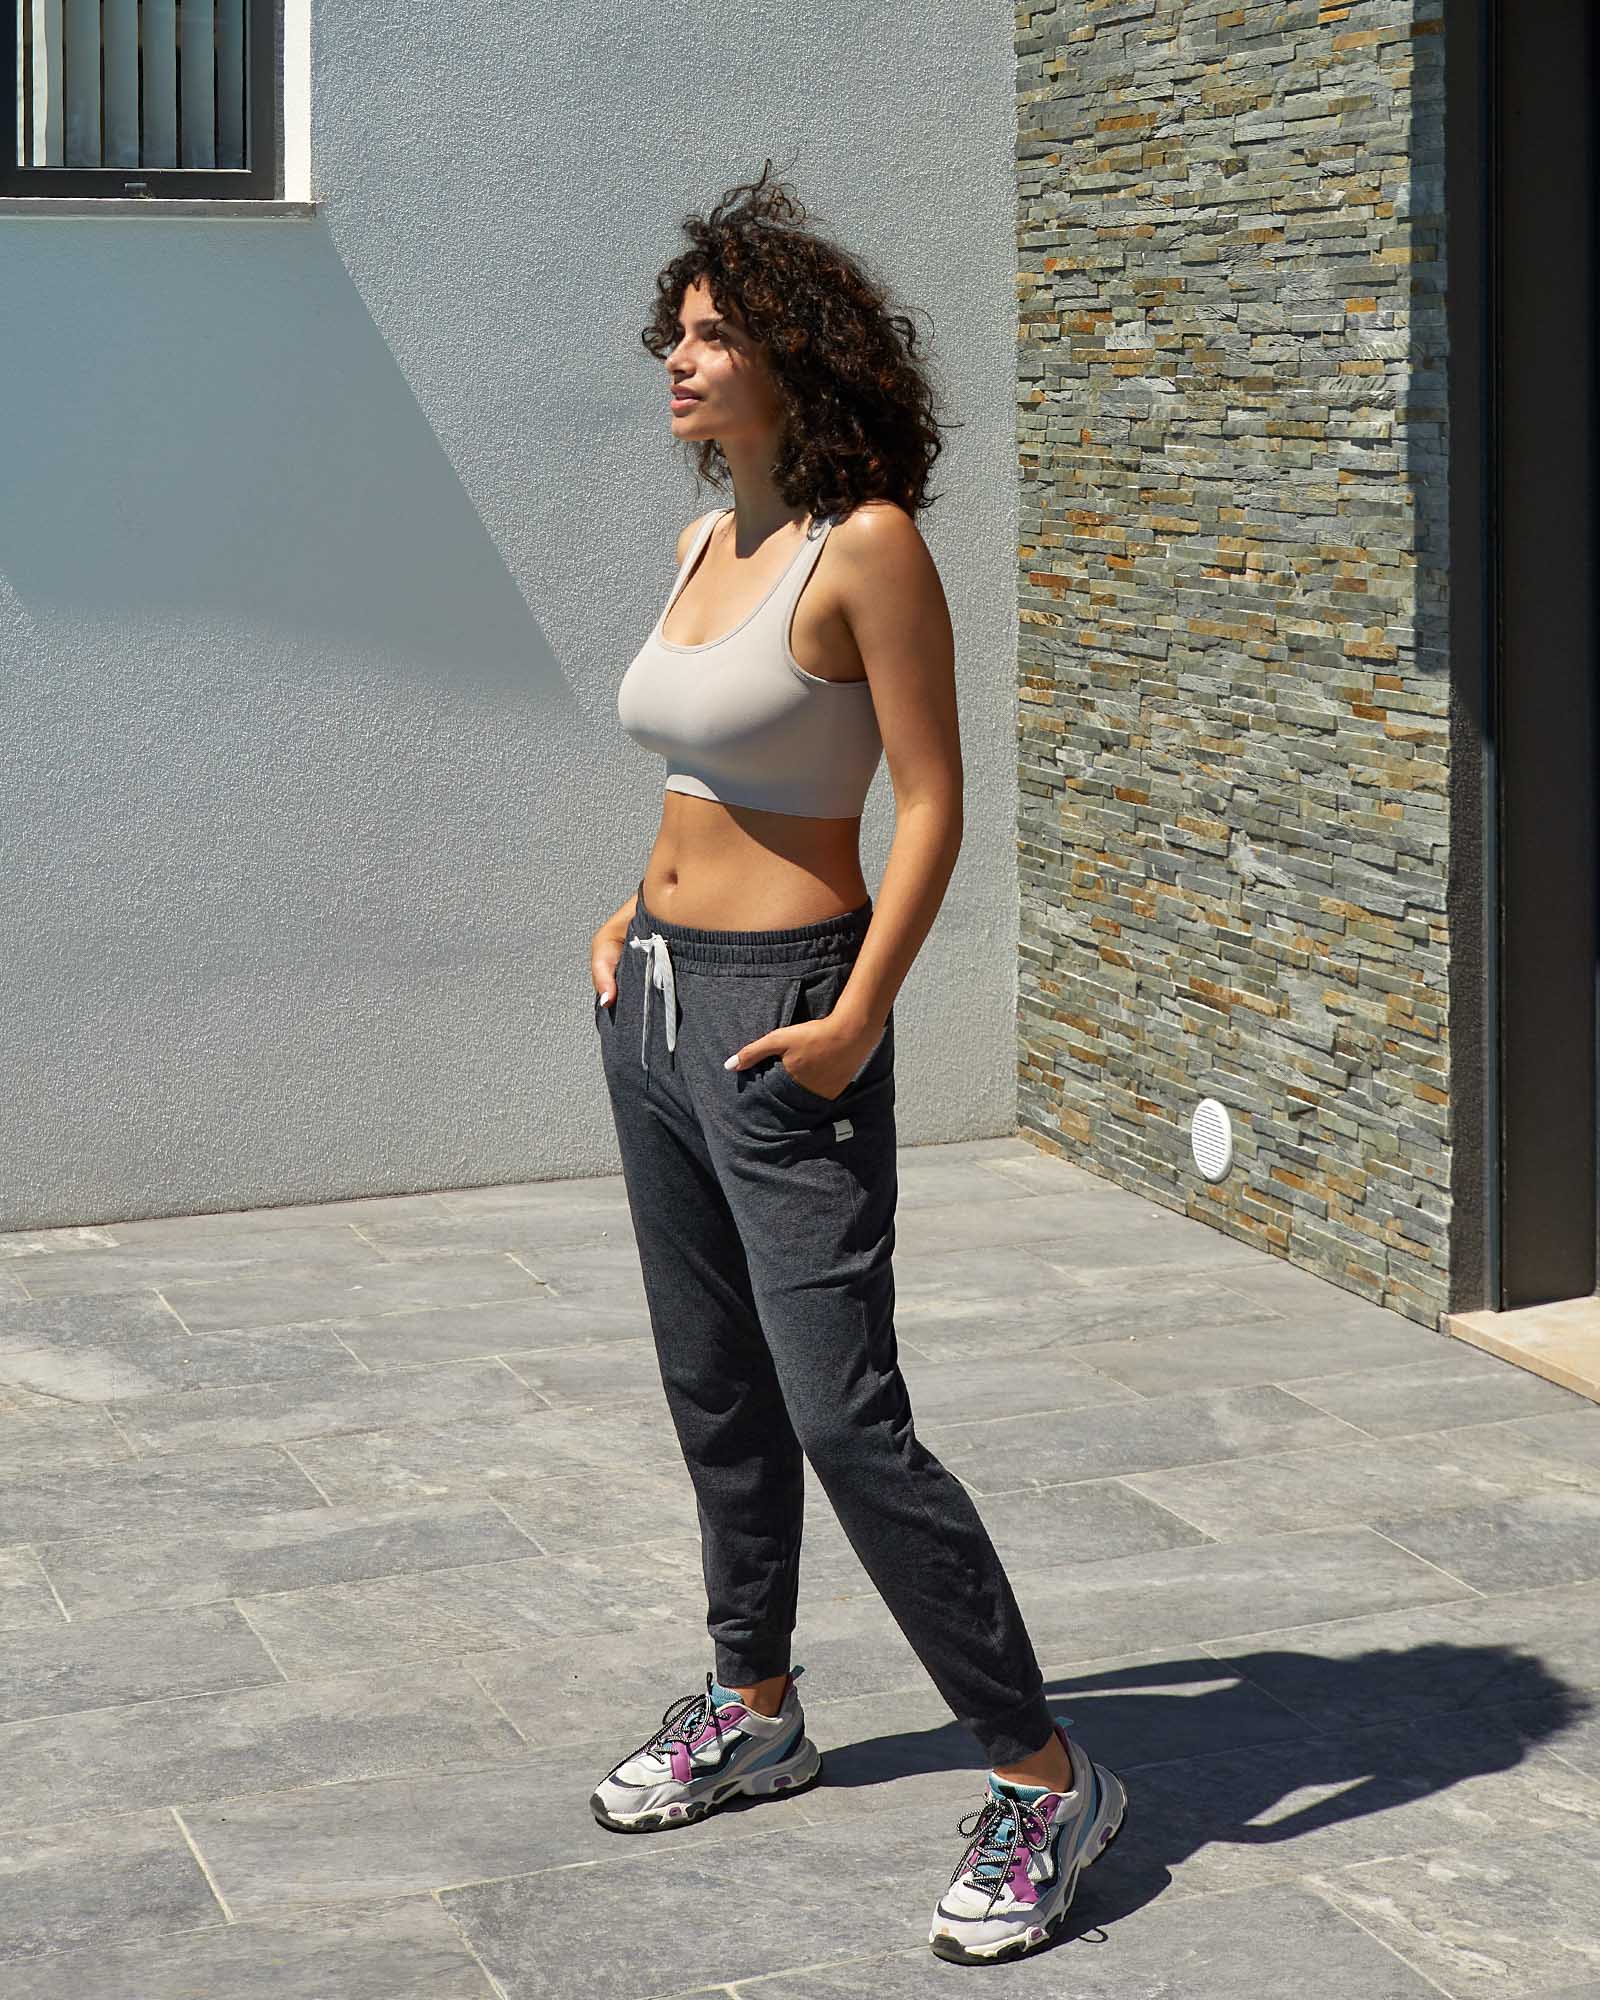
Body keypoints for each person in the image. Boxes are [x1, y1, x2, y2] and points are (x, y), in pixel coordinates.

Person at [585, 162, 1127, 1966]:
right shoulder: (704, 547)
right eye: (675, 332)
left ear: (793, 357)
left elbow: (934, 803)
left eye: (712, 334)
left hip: (790, 1009)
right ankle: (755, 1705)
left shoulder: (866, 543)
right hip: (659, 1005)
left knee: (842, 1413)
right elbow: (704, 768)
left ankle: (1048, 1777)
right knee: (714, 1386)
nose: (678, 357)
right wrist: (630, 913)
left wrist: (862, 1012)